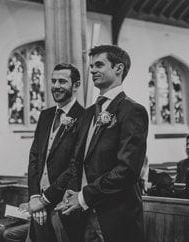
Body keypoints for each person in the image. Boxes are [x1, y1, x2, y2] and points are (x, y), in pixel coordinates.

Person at [48, 45, 148, 242]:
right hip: (83, 215)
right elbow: (78, 160)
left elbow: (127, 170)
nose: (92, 70)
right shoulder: (88, 113)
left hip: (115, 215)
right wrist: (75, 189)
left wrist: (84, 195)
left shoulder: (132, 110)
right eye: (91, 66)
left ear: (118, 68)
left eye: (99, 65)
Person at [25, 63, 85, 242]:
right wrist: (35, 196)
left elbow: (75, 165)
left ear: (76, 85)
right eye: (53, 81)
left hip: (62, 203)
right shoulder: (46, 115)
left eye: (62, 81)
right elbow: (34, 157)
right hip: (39, 202)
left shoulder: (84, 117)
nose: (56, 86)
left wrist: (44, 200)